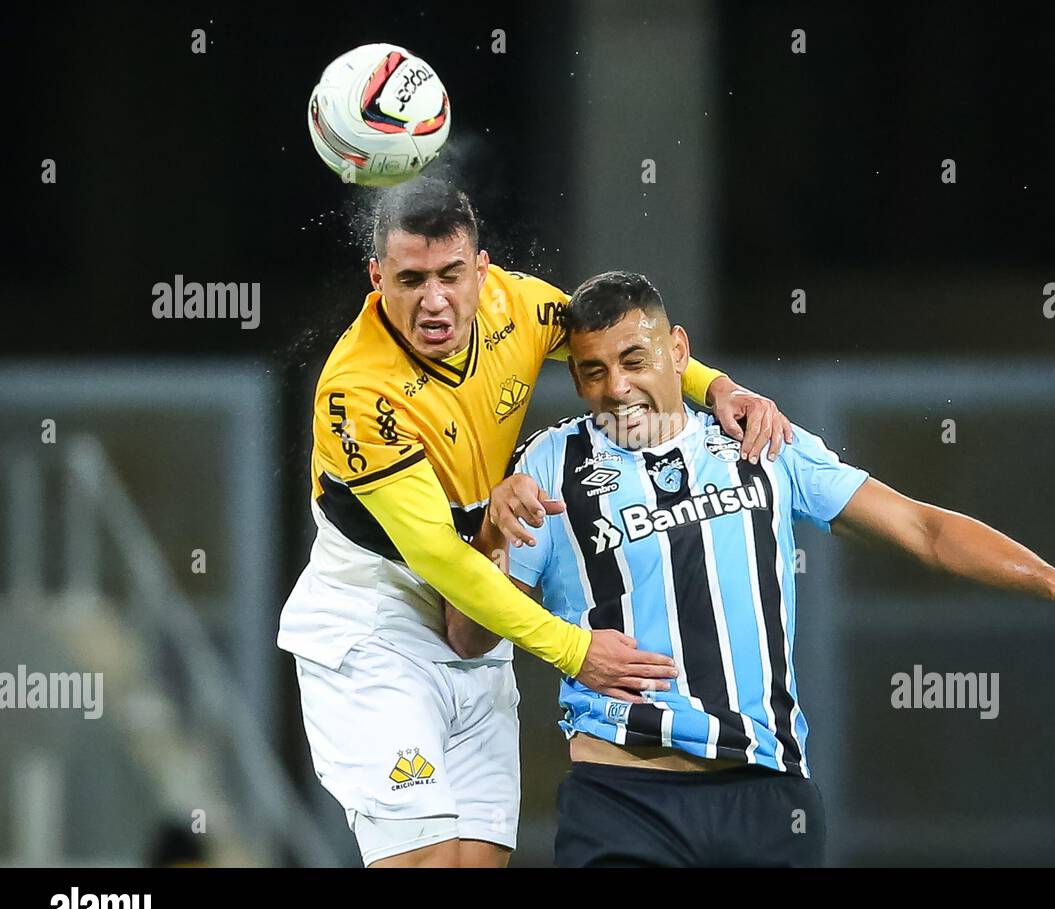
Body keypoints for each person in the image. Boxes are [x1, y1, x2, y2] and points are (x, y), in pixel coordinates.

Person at [464, 270, 1055, 867]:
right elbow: (469, 636)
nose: (615, 388)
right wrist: (491, 536)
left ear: (678, 350)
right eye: (592, 371)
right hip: (623, 797)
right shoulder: (552, 464)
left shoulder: (759, 438)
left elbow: (923, 527)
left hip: (770, 797)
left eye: (633, 360)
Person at [276, 177, 793, 869]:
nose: (435, 300)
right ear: (377, 278)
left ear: (481, 268)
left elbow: (624, 340)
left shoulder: (516, 304)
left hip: (479, 607)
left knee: (478, 861)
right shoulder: (358, 390)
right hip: (379, 619)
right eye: (410, 279)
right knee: (425, 858)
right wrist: (574, 651)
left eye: (451, 275)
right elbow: (436, 557)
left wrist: (719, 385)